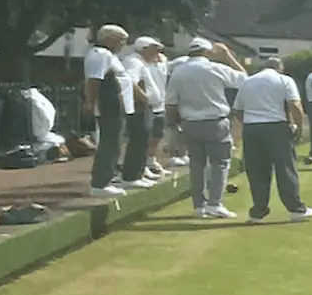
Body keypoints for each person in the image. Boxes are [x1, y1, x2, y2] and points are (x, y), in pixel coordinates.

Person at [165, 38, 247, 219]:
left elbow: (170, 102)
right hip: (214, 121)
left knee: (196, 165)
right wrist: (228, 56)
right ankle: (214, 204)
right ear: (208, 52)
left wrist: (172, 126)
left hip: (189, 123)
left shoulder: (178, 71)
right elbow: (244, 79)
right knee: (220, 163)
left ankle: (199, 206)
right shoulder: (215, 68)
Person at [234, 56, 312, 224]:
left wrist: (252, 123)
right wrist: (299, 127)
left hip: (251, 128)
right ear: (280, 68)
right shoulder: (284, 80)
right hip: (276, 127)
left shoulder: (248, 81)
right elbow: (295, 105)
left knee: (256, 171)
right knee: (285, 168)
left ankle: (258, 212)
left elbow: (237, 110)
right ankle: (296, 209)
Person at [83, 25, 140, 198]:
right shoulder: (101, 55)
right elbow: (94, 80)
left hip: (117, 106)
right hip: (110, 105)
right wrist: (90, 102)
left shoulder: (109, 56)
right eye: (121, 39)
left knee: (115, 143)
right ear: (109, 38)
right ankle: (100, 183)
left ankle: (107, 178)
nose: (124, 44)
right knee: (110, 143)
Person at [127, 36, 171, 183]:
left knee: (147, 138)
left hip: (152, 106)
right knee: (140, 140)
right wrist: (144, 98)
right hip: (141, 107)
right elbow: (130, 82)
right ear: (144, 49)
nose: (157, 53)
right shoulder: (134, 62)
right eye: (154, 49)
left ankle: (140, 171)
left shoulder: (145, 62)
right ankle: (134, 174)